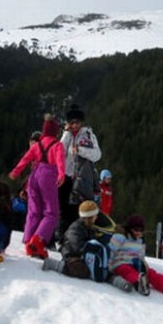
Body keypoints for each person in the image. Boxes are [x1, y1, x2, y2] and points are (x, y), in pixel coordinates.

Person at [9, 113, 65, 259]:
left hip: (34, 176)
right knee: (51, 212)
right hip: (48, 175)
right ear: (55, 132)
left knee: (34, 210)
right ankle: (37, 241)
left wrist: (15, 172)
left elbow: (26, 158)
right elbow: (60, 161)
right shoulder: (57, 145)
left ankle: (28, 240)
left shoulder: (37, 144)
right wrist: (61, 175)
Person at [108, 214, 163, 297]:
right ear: (129, 228)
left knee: (151, 273)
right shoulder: (120, 237)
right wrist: (108, 266)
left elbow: (141, 256)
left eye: (141, 230)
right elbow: (110, 251)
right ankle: (138, 283)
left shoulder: (140, 241)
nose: (138, 232)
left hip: (136, 264)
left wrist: (144, 265)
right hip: (120, 264)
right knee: (128, 271)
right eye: (136, 230)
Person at [58, 104, 102, 242]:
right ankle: (61, 237)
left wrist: (81, 150)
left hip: (81, 179)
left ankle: (75, 238)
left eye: (77, 122)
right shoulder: (67, 135)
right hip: (65, 177)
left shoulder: (88, 134)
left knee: (78, 210)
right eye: (71, 122)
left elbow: (97, 155)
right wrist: (66, 134)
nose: (75, 125)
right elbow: (59, 151)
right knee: (63, 209)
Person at [43, 201, 111, 278]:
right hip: (71, 256)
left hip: (83, 256)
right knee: (82, 270)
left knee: (101, 267)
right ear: (90, 217)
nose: (97, 218)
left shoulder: (90, 227)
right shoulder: (76, 228)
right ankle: (55, 264)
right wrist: (90, 249)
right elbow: (76, 246)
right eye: (95, 216)